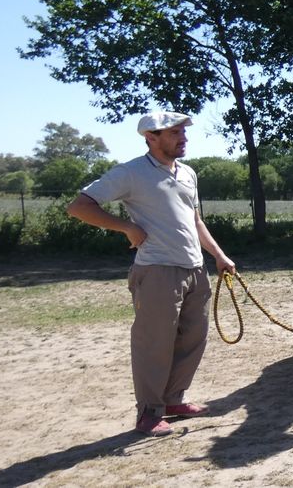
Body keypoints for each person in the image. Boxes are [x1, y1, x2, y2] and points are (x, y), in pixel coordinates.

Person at [66, 111, 237, 437]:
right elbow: (79, 206)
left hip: (195, 269)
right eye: (174, 133)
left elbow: (195, 221)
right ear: (151, 138)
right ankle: (149, 412)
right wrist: (126, 227)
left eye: (183, 133)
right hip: (157, 270)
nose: (183, 138)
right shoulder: (131, 173)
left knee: (193, 339)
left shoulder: (187, 173)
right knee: (154, 344)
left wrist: (218, 255)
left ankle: (173, 400)